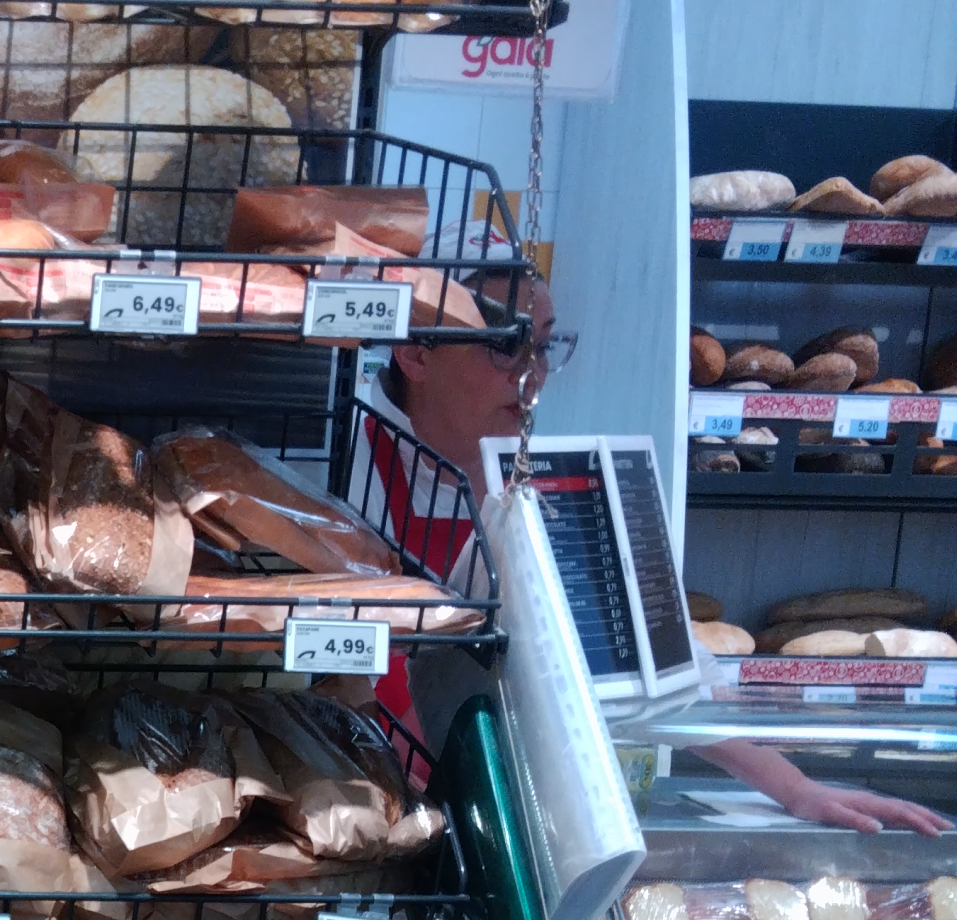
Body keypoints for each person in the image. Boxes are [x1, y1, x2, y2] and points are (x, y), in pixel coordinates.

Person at [367, 280, 949, 834]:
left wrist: (795, 788)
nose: (532, 376)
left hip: (492, 818)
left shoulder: (554, 484)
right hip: (359, 816)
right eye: (504, 345)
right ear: (415, 353)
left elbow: (661, 665)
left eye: (542, 346)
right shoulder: (343, 471)